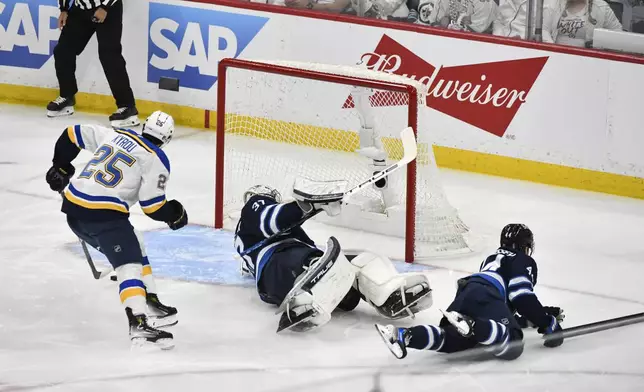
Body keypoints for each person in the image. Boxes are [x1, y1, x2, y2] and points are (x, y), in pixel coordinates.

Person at [45, 110, 187, 349]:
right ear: (168, 138)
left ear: (144, 127)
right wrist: (175, 214)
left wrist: (60, 166)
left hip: (73, 209)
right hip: (102, 215)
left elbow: (71, 134)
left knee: (135, 241)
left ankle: (149, 299)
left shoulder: (113, 134)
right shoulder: (156, 158)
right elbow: (152, 207)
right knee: (129, 263)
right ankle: (139, 324)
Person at [234, 179, 433, 333]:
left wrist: (314, 206)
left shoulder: (250, 243)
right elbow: (274, 217)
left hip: (280, 281)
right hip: (281, 263)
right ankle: (307, 298)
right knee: (313, 261)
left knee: (357, 260)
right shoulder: (254, 206)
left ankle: (389, 294)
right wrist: (306, 205)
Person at [376, 224, 565, 360]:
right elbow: (521, 297)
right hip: (487, 295)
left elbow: (505, 313)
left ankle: (403, 335)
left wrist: (541, 313)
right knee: (513, 343)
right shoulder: (523, 260)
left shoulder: (492, 258)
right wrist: (547, 322)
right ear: (524, 246)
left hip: (468, 291)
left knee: (454, 341)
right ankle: (472, 324)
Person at [47, 0, 139, 128]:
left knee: (109, 56)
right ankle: (67, 97)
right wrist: (64, 9)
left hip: (109, 9)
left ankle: (127, 107)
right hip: (81, 8)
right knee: (63, 51)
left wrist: (104, 7)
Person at [542, 0, 622, 47]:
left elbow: (618, 36)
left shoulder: (602, 7)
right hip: (555, 58)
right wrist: (554, 50)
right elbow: (543, 30)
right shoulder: (553, 3)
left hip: (587, 62)